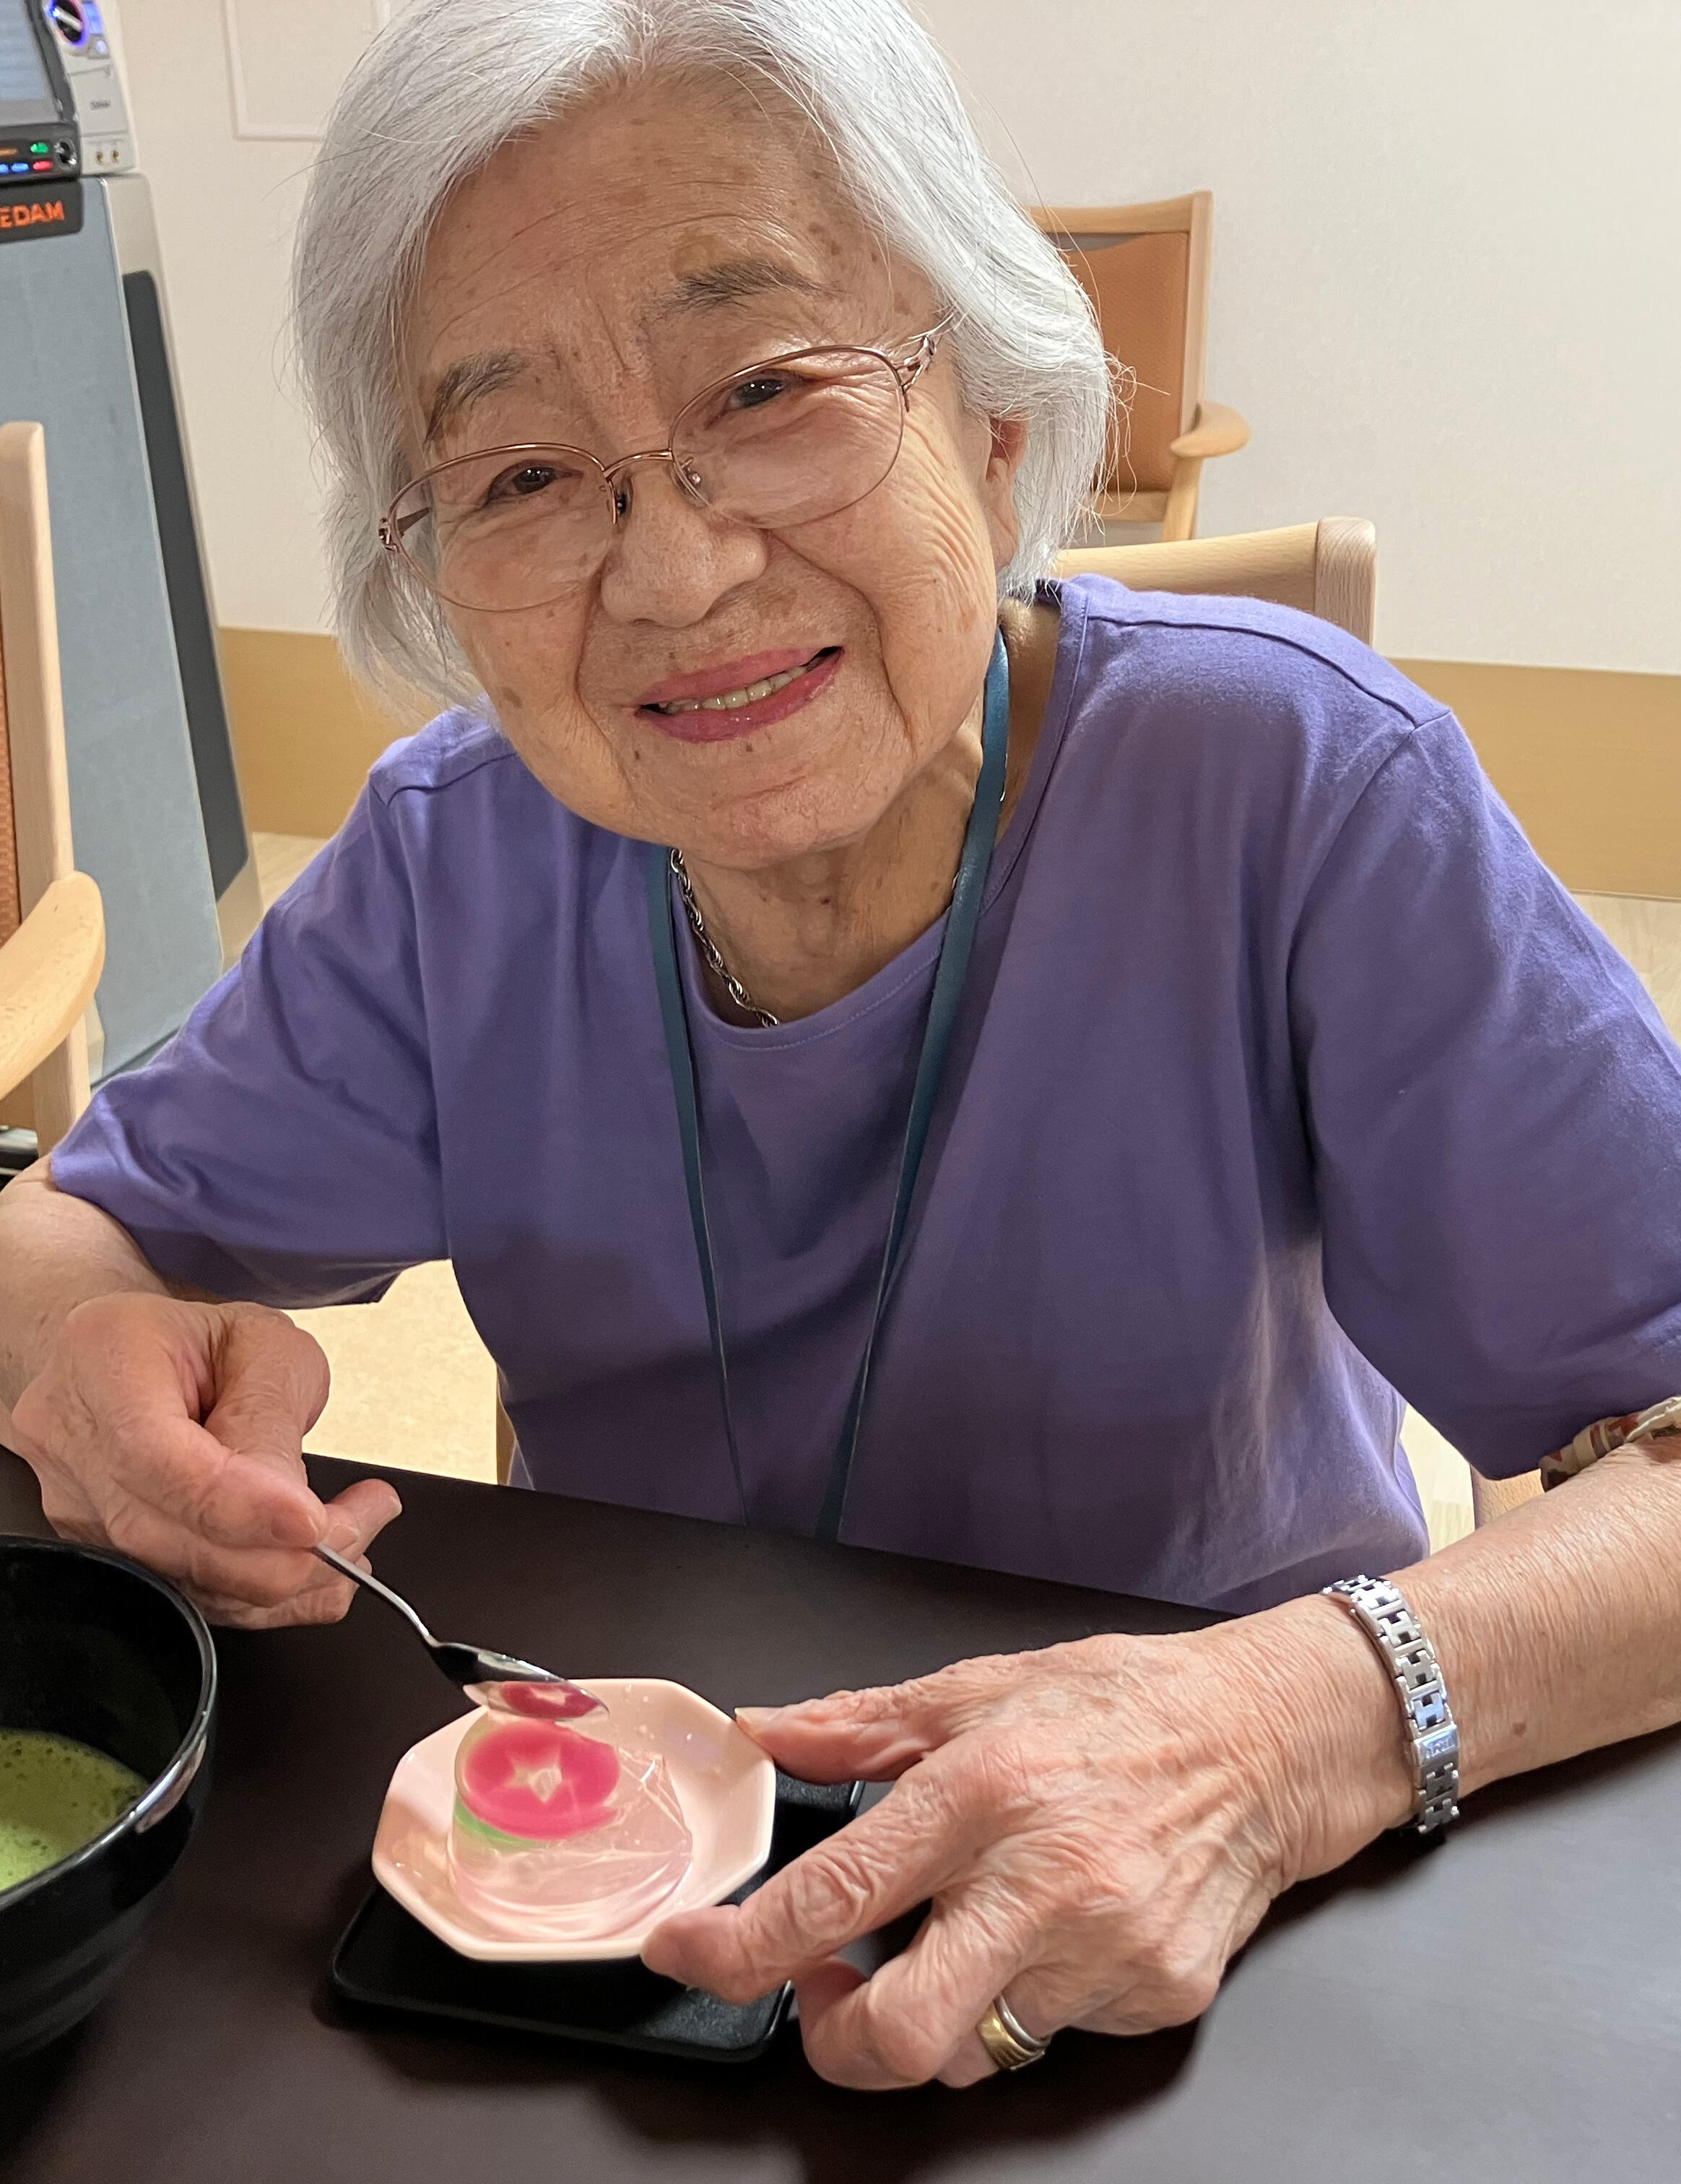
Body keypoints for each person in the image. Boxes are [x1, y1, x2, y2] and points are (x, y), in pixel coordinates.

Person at [3, 0, 1680, 2092]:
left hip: (1225, 1867)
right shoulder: (458, 863)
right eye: (522, 474)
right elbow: (67, 1245)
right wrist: (89, 1364)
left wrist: (1288, 1729)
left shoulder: (1300, 793)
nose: (675, 571)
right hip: (640, 1882)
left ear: (994, 418)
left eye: (769, 386)